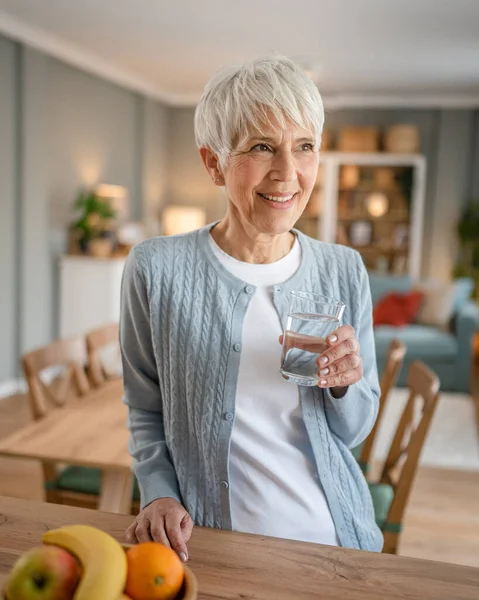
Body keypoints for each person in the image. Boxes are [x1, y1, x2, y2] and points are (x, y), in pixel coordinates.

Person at [120, 56, 383, 561]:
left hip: (335, 543)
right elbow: (144, 405)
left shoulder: (344, 270)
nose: (288, 173)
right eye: (262, 147)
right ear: (213, 162)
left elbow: (352, 433)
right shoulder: (155, 269)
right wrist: (157, 490)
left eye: (304, 147)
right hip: (214, 546)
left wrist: (345, 384)